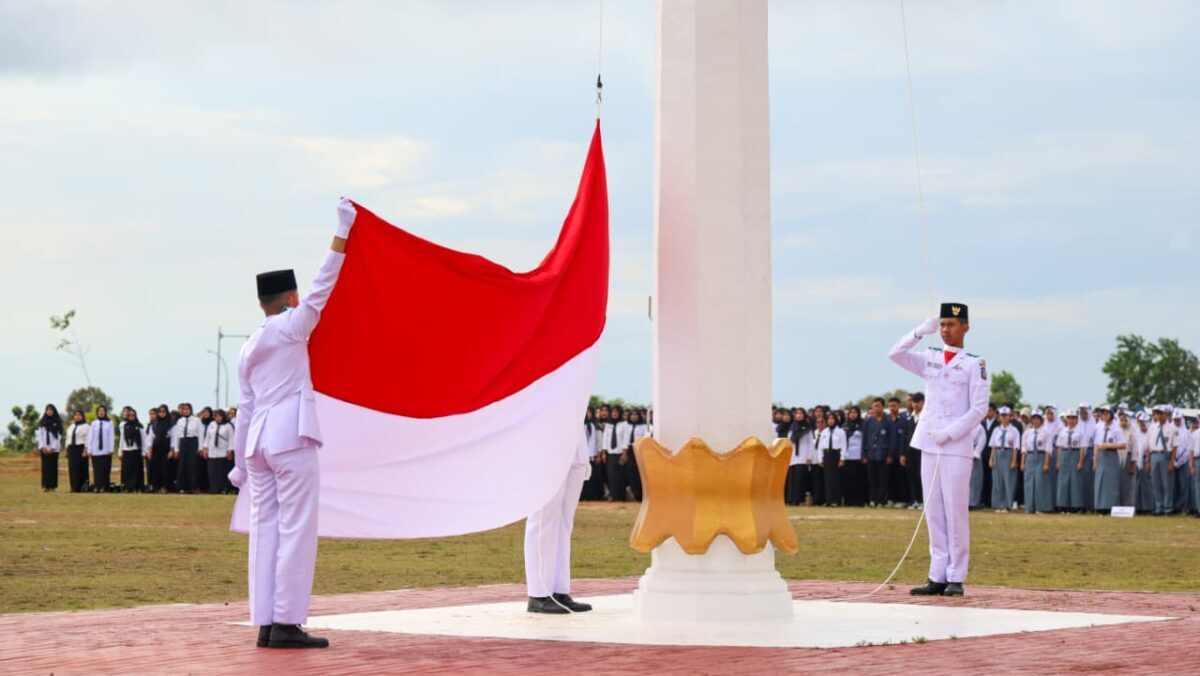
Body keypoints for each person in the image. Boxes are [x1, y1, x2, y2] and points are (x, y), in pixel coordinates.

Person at [226, 198, 353, 649]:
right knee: (297, 528)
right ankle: (287, 622)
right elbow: (324, 285)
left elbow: (243, 409)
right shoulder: (292, 327)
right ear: (290, 299)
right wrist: (343, 232)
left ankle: (266, 621)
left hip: (258, 444)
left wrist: (240, 464)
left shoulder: (248, 346)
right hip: (290, 438)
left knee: (265, 532)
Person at [889, 303, 988, 597]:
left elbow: (979, 408)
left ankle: (956, 575)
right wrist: (920, 331)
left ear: (965, 328)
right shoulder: (929, 358)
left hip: (955, 444)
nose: (946, 330)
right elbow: (895, 354)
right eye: (943, 324)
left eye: (952, 324)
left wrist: (951, 432)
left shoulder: (974, 363)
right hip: (929, 442)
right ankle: (937, 575)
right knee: (932, 511)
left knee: (955, 511)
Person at [524, 425, 593, 614]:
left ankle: (559, 590)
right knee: (543, 520)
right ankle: (538, 594)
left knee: (563, 523)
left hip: (575, 443)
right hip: (548, 441)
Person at [1092, 405, 1125, 513]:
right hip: (1101, 455)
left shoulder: (1116, 428)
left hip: (1111, 455)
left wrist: (1109, 446)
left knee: (1111, 481)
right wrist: (1095, 460)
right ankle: (1100, 506)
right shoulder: (1100, 427)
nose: (1104, 416)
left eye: (1106, 413)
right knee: (1100, 480)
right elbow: (1097, 445)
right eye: (1103, 414)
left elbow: (1123, 445)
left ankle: (1111, 506)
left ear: (1111, 414)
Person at [988, 406, 1021, 512]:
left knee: (1008, 480)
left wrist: (1014, 460)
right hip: (998, 453)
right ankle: (998, 504)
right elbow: (993, 445)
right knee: (997, 480)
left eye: (1006, 415)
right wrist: (991, 459)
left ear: (1010, 417)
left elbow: (1016, 447)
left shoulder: (1014, 430)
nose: (1004, 418)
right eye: (1002, 415)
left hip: (1009, 453)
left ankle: (1008, 504)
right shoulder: (996, 430)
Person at [1020, 409, 1053, 514]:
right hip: (1030, 457)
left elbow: (1048, 449)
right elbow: (1024, 449)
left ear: (1041, 420)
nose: (1035, 421)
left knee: (1040, 482)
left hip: (1041, 456)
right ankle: (1030, 507)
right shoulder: (1027, 432)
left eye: (1037, 418)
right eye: (1033, 418)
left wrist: (1046, 463)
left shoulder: (1046, 432)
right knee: (1029, 482)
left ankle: (1041, 507)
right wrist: (1022, 463)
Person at [1146, 405, 1175, 515]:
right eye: (1156, 413)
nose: (1158, 416)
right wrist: (1148, 461)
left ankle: (1168, 507)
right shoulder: (1152, 427)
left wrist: (1172, 462)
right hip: (1154, 455)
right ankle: (1159, 507)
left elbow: (1175, 446)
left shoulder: (1171, 428)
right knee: (1156, 483)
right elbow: (1149, 445)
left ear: (1166, 414)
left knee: (1167, 483)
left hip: (1165, 454)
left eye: (1160, 413)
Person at [863, 398, 890, 508]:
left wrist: (889, 455)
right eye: (874, 406)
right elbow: (865, 439)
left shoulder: (888, 421)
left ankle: (882, 501)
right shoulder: (868, 421)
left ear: (883, 407)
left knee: (883, 480)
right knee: (872, 479)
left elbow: (891, 438)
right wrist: (864, 455)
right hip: (871, 455)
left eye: (878, 406)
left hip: (883, 455)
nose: (876, 408)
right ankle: (873, 500)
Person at [900, 393, 925, 509]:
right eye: (913, 402)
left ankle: (923, 500)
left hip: (922, 451)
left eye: (917, 402)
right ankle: (914, 500)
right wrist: (902, 454)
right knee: (912, 476)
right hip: (910, 451)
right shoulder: (909, 418)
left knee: (922, 476)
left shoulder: (927, 417)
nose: (914, 405)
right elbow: (904, 437)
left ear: (923, 403)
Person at [603, 405, 632, 502]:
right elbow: (605, 439)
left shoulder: (624, 424)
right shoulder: (608, 424)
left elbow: (626, 438)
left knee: (621, 476)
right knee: (611, 476)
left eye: (616, 412)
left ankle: (621, 496)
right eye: (613, 412)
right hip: (611, 454)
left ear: (619, 413)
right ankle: (614, 496)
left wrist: (624, 452)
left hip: (620, 453)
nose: (615, 413)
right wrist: (604, 452)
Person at [817, 411, 846, 506]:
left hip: (836, 455)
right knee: (827, 479)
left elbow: (844, 446)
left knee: (836, 479)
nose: (830, 421)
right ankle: (828, 500)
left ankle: (836, 500)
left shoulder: (841, 432)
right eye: (829, 419)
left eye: (832, 419)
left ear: (836, 420)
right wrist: (820, 459)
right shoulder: (824, 432)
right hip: (827, 455)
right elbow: (820, 446)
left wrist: (842, 458)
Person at [205, 409, 235, 494]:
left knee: (221, 472)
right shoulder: (211, 424)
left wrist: (230, 450)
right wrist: (205, 448)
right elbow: (207, 437)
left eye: (219, 416)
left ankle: (223, 488)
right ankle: (213, 488)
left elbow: (231, 439)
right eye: (216, 416)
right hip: (212, 452)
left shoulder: (228, 426)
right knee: (212, 471)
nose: (218, 418)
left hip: (223, 452)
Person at [118, 407, 147, 493]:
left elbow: (143, 440)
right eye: (129, 415)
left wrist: (144, 452)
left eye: (133, 415)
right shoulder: (125, 426)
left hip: (136, 450)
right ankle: (128, 487)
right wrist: (120, 451)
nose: (131, 416)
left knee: (136, 470)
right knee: (127, 470)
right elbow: (122, 439)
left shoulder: (139, 426)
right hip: (126, 450)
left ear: (135, 416)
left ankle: (136, 487)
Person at [87, 405, 115, 492]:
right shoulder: (94, 423)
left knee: (105, 470)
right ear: (97, 412)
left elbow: (111, 436)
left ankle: (104, 487)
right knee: (97, 470)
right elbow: (90, 437)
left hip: (106, 450)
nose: (101, 412)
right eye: (99, 411)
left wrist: (111, 449)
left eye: (103, 411)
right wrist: (89, 449)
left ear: (105, 412)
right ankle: (97, 486)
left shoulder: (109, 423)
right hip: (95, 450)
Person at [36, 404, 64, 492]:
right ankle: (46, 486)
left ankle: (53, 486)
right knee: (45, 468)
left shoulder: (57, 422)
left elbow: (59, 436)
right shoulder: (42, 422)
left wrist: (52, 448)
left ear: (54, 411)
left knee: (53, 467)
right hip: (44, 449)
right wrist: (43, 447)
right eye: (47, 409)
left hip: (54, 450)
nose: (49, 411)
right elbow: (40, 436)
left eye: (51, 410)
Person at [146, 404, 173, 492]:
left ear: (166, 412)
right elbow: (150, 437)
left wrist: (172, 450)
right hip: (156, 448)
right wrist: (149, 450)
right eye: (160, 411)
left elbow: (174, 437)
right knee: (155, 468)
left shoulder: (171, 423)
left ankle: (164, 487)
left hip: (166, 448)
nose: (161, 413)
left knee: (165, 468)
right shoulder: (154, 423)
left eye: (163, 411)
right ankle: (155, 486)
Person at [1171, 410, 1192, 514]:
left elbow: (1188, 449)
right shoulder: (1170, 429)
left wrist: (1179, 462)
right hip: (1171, 460)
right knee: (1172, 485)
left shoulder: (1186, 432)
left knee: (1184, 485)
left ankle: (1183, 507)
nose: (1177, 421)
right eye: (1175, 420)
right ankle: (1173, 506)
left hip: (1183, 462)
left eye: (1178, 420)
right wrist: (1172, 461)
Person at [1077, 404, 1097, 512]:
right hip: (1079, 453)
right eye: (1081, 413)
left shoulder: (1094, 426)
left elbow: (1096, 442)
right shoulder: (1078, 425)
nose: (1083, 415)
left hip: (1090, 451)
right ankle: (1081, 505)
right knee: (1080, 480)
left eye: (1085, 413)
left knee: (1090, 480)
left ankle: (1091, 505)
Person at [1117, 411, 1139, 508]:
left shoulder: (1132, 433)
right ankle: (1119, 506)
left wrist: (1132, 465)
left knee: (1128, 486)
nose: (1123, 422)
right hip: (1118, 460)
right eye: (1121, 420)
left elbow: (1135, 450)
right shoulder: (1117, 432)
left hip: (1129, 459)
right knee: (1119, 485)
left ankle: (1128, 507)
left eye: (1125, 420)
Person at [64, 409, 90, 492]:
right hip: (72, 449)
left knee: (81, 468)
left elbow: (87, 439)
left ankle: (83, 487)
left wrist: (85, 450)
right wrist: (66, 450)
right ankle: (74, 487)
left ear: (82, 416)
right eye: (76, 415)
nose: (77, 416)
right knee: (72, 468)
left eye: (79, 415)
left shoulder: (86, 426)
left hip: (81, 448)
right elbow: (67, 439)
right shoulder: (71, 427)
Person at [627, 409, 648, 501]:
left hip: (640, 450)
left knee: (640, 473)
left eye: (636, 414)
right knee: (631, 473)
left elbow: (645, 438)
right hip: (629, 450)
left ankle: (642, 495)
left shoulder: (644, 426)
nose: (634, 416)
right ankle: (635, 494)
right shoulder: (626, 426)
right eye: (632, 414)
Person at [968, 419, 987, 509]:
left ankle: (973, 502)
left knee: (975, 479)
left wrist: (976, 453)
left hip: (974, 451)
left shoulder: (979, 427)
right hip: (963, 451)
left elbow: (982, 441)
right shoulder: (964, 425)